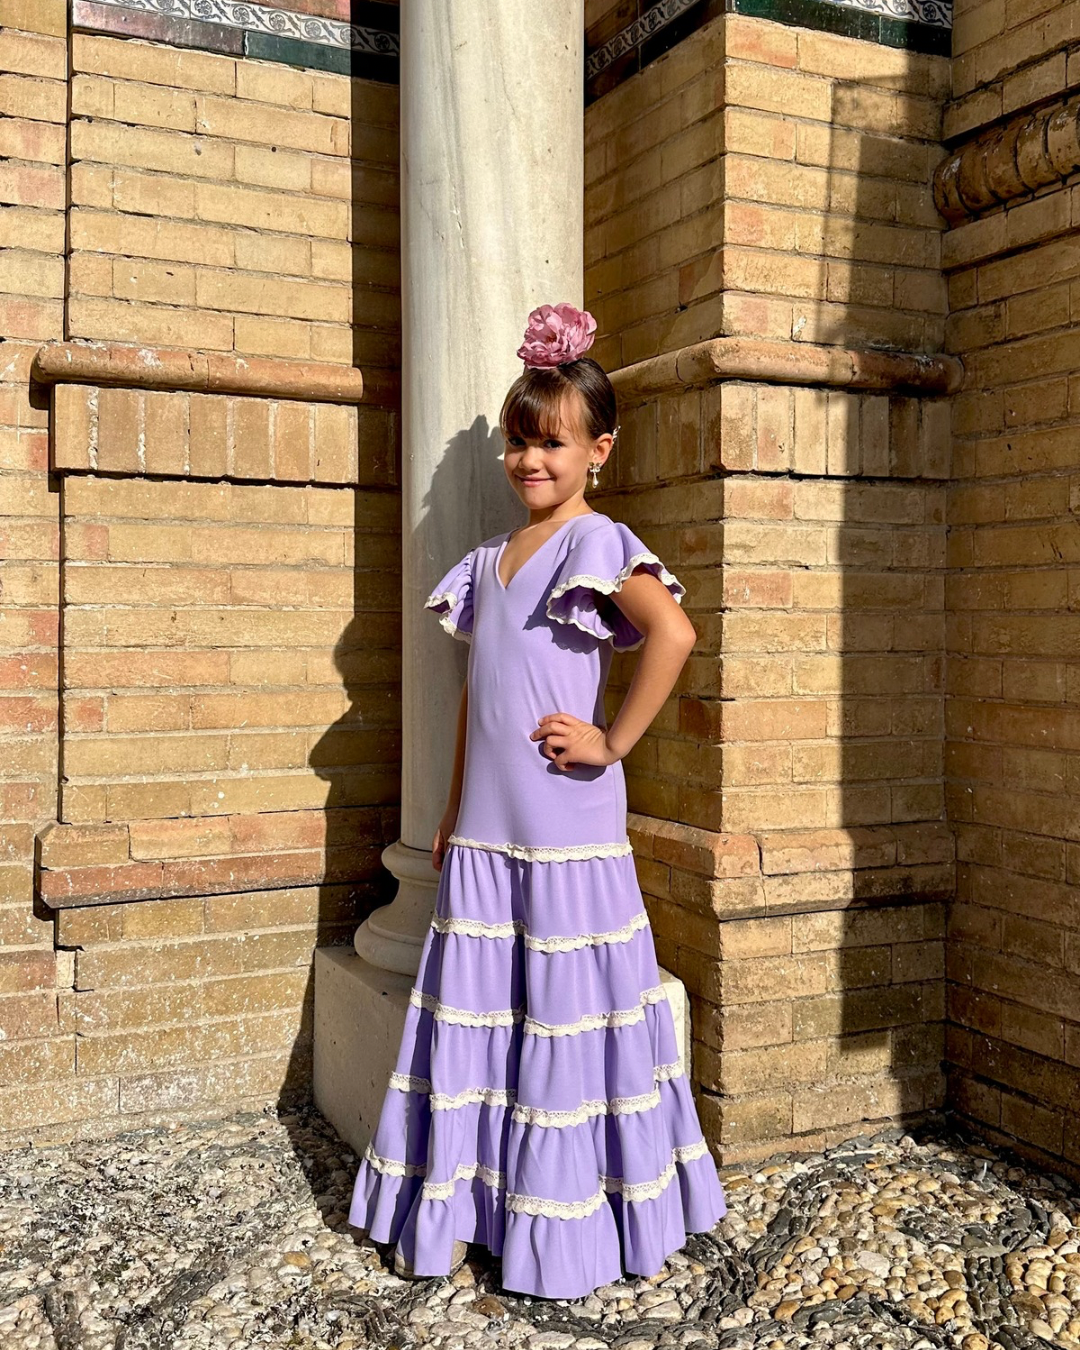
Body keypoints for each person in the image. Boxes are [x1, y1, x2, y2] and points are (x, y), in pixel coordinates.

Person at [347, 302, 727, 1300]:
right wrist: (456, 803)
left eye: (552, 444)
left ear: (598, 448)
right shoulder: (488, 561)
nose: (531, 462)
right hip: (488, 829)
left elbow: (674, 636)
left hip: (566, 823)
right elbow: (482, 693)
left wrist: (611, 740)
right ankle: (475, 1207)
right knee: (487, 1014)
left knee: (565, 1015)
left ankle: (571, 1229)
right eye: (521, 442)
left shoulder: (598, 542)